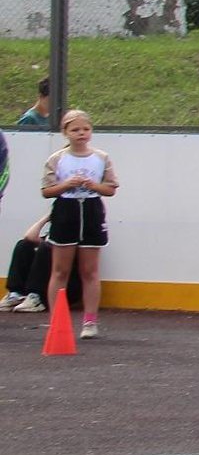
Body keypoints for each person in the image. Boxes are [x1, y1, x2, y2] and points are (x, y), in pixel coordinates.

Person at [40, 110, 116, 340]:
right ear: (65, 133)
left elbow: (110, 188)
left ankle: (90, 321)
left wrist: (93, 186)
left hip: (91, 210)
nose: (81, 134)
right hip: (66, 211)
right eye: (75, 130)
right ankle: (57, 320)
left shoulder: (101, 157)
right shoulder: (57, 159)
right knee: (60, 269)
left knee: (89, 270)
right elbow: (46, 191)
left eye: (85, 129)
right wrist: (66, 185)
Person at [5, 215, 78, 314]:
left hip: (67, 287)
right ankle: (16, 294)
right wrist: (46, 218)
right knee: (23, 245)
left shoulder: (73, 238)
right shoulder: (51, 236)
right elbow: (29, 236)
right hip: (49, 284)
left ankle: (36, 296)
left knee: (45, 248)